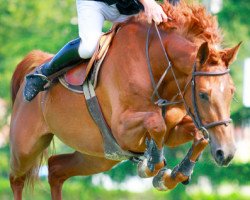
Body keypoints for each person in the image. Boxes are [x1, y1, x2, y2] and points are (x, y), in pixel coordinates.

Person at [23, 0, 172, 101]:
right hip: (96, 3)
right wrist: (149, 2)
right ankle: (42, 73)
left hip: (131, 8)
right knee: (89, 46)